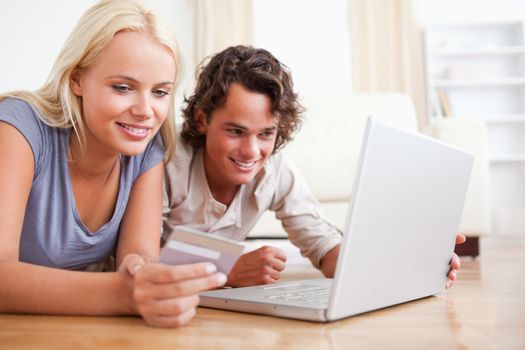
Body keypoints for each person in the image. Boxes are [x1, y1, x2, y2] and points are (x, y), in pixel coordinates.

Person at [0, 0, 226, 328]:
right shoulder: (18, 128)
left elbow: (137, 257)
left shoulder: (147, 145)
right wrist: (125, 293)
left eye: (160, 92)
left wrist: (145, 275)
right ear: (77, 79)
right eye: (123, 88)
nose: (145, 110)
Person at [163, 45, 465, 288]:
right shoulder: (166, 160)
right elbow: (137, 257)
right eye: (235, 131)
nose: (251, 151)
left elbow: (326, 249)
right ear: (202, 119)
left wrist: (407, 260)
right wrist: (226, 269)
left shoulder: (274, 169)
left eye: (266, 133)